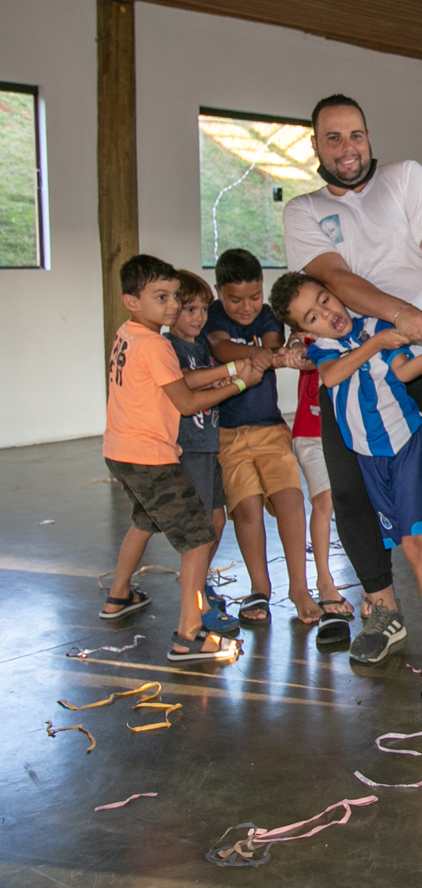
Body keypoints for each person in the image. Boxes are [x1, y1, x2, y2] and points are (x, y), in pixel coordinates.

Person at [282, 94, 422, 670]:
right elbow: (335, 278)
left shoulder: (406, 177)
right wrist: (399, 317)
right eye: (333, 138)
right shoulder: (304, 210)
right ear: (315, 146)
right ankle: (383, 610)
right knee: (351, 492)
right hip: (357, 366)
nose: (347, 148)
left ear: (368, 136)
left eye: (355, 135)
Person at [272, 271, 422, 703]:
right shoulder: (325, 349)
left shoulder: (376, 326)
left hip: (406, 447)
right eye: (312, 316)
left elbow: (407, 371)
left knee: (417, 548)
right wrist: (374, 346)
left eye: (325, 300)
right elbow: (331, 377)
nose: (327, 314)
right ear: (304, 331)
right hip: (371, 459)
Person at [101, 254, 262, 662]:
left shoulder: (128, 333)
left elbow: (181, 381)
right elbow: (188, 403)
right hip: (150, 457)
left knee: (145, 520)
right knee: (199, 537)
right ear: (131, 301)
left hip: (119, 452)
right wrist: (239, 382)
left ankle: (119, 595)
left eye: (175, 296)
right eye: (162, 297)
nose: (173, 305)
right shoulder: (157, 345)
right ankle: (189, 634)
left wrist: (229, 370)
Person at [206, 248, 321, 626]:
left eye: (254, 297)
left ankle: (300, 588)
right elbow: (220, 346)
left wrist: (271, 353)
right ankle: (260, 587)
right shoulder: (214, 316)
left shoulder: (268, 315)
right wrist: (258, 356)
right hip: (228, 435)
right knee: (247, 507)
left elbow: (273, 345)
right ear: (219, 292)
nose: (246, 307)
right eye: (235, 299)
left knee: (291, 499)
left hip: (271, 428)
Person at [162, 269, 239, 636]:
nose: (198, 317)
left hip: (209, 445)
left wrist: (222, 378)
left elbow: (208, 383)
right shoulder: (169, 347)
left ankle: (200, 583)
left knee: (217, 521)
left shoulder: (203, 346)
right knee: (199, 530)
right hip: (189, 447)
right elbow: (185, 388)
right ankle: (196, 602)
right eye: (190, 309)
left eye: (204, 309)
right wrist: (231, 377)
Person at [288, 342, 354, 646]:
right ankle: (325, 581)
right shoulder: (307, 339)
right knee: (324, 501)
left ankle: (374, 589)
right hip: (310, 433)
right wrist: (295, 347)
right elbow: (297, 351)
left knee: (355, 503)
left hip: (347, 430)